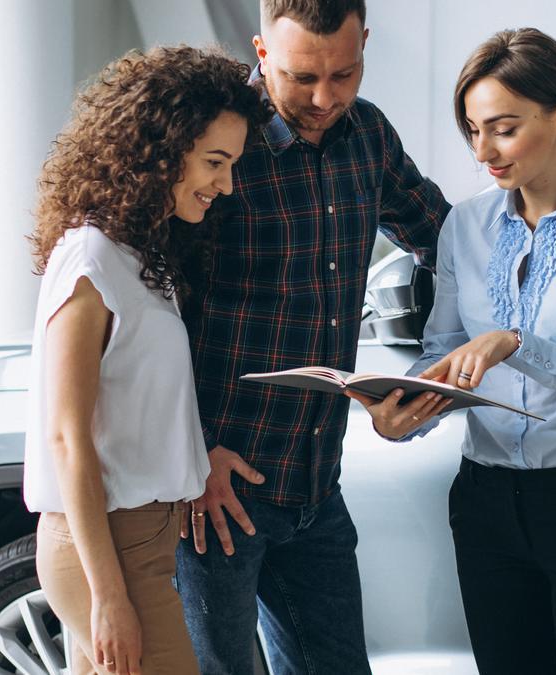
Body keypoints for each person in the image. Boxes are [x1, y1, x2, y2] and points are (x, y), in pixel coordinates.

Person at [347, 27, 556, 675]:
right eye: (472, 130)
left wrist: (516, 344)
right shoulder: (464, 227)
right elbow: (440, 349)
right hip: (485, 503)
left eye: (502, 127)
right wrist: (406, 408)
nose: (483, 152)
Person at [174, 1, 450, 673]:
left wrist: (441, 364)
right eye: (303, 78)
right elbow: (154, 310)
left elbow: (449, 242)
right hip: (219, 495)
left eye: (345, 73)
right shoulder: (218, 143)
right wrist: (189, 452)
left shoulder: (371, 137)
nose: (326, 97)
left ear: (365, 48)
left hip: (318, 487)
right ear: (261, 53)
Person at [23, 46, 271, 675]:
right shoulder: (89, 259)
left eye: (233, 165)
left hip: (142, 540)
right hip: (106, 550)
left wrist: (193, 455)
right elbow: (67, 437)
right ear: (161, 148)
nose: (226, 184)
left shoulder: (140, 255)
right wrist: (108, 596)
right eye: (215, 163)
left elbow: (133, 400)